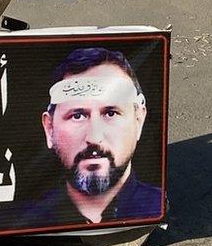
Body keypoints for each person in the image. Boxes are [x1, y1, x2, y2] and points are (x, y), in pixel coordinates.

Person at [36, 47, 162, 224]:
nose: (94, 138)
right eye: (77, 116)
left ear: (139, 119)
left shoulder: (156, 207)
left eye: (110, 113)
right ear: (49, 128)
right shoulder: (18, 221)